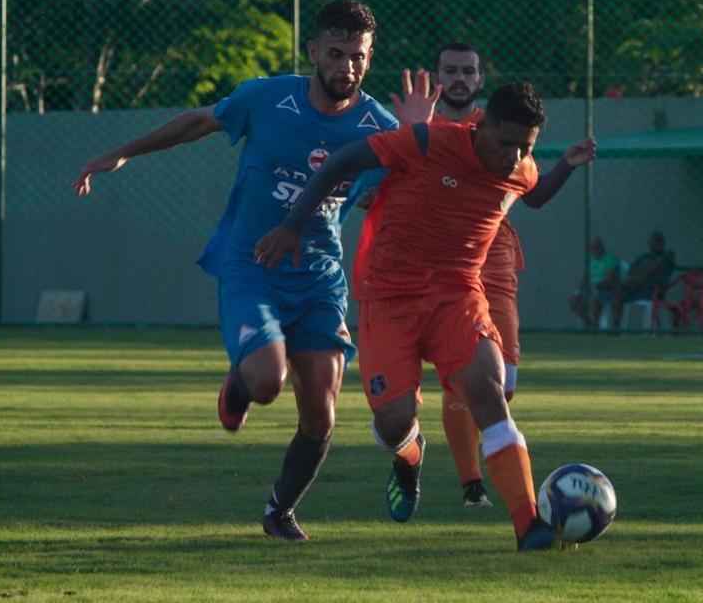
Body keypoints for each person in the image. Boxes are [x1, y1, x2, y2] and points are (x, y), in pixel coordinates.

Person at [72, 0, 399, 540]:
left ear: (370, 58)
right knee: (269, 381)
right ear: (313, 51)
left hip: (319, 279)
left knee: (321, 414)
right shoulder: (267, 98)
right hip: (252, 265)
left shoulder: (377, 126)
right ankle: (242, 385)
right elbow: (200, 121)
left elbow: (409, 182)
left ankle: (279, 512)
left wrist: (412, 149)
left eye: (358, 57)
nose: (347, 66)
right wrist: (123, 154)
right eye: (336, 53)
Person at [255, 78, 595, 551]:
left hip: (458, 297)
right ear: (483, 126)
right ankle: (410, 455)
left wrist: (567, 167)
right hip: (389, 298)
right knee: (394, 420)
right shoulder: (428, 141)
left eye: (525, 147)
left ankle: (527, 524)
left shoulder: (519, 167)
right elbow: (341, 162)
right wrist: (293, 227)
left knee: (489, 392)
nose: (514, 157)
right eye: (506, 143)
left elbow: (533, 194)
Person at [429, 42, 527, 508]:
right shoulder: (419, 124)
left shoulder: (501, 124)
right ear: (436, 76)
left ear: (480, 78)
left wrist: (565, 165)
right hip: (441, 262)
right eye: (450, 70)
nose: (459, 78)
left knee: (503, 380)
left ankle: (494, 468)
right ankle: (473, 485)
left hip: (495, 257)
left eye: (468, 70)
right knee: (459, 377)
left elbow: (529, 183)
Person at [611, 231, 677, 330]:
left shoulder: (667, 257)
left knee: (624, 286)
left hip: (652, 291)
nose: (656, 244)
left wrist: (640, 276)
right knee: (618, 292)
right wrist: (634, 279)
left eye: (659, 241)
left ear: (663, 243)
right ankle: (616, 326)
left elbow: (653, 270)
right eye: (653, 241)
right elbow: (631, 271)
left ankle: (616, 326)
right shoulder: (643, 257)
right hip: (635, 288)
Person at [568, 237, 621, 328]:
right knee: (573, 301)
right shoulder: (592, 262)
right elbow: (584, 279)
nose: (594, 250)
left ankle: (598, 326)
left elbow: (610, 279)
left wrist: (595, 286)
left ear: (601, 247)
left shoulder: (610, 259)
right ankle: (590, 324)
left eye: (596, 247)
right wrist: (577, 292)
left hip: (606, 290)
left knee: (595, 298)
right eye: (592, 248)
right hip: (592, 290)